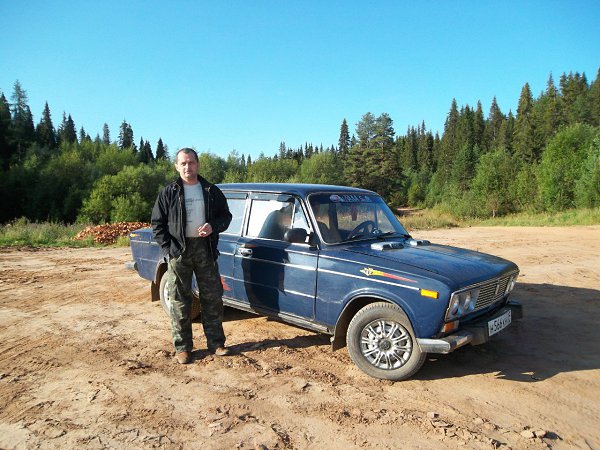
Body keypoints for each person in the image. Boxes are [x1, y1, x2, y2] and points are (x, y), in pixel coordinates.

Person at [151, 147, 232, 364]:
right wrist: (169, 249)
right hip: (179, 252)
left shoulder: (210, 191)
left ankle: (216, 344)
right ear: (177, 166)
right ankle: (183, 348)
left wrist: (213, 226)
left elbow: (226, 216)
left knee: (212, 298)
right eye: (183, 163)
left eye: (191, 162)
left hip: (205, 250)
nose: (188, 167)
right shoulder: (168, 193)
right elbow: (157, 225)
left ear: (198, 164)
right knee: (180, 300)